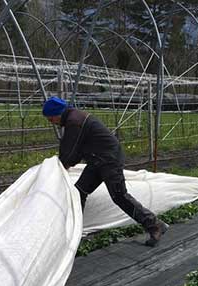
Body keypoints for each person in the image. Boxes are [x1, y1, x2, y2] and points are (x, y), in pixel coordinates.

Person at [42, 96, 168, 247]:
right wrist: (64, 163)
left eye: (51, 119)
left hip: (109, 159)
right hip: (98, 160)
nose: (52, 123)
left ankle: (154, 225)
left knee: (119, 195)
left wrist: (62, 166)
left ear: (57, 113)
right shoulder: (73, 119)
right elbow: (75, 150)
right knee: (79, 192)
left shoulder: (74, 121)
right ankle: (74, 234)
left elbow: (70, 151)